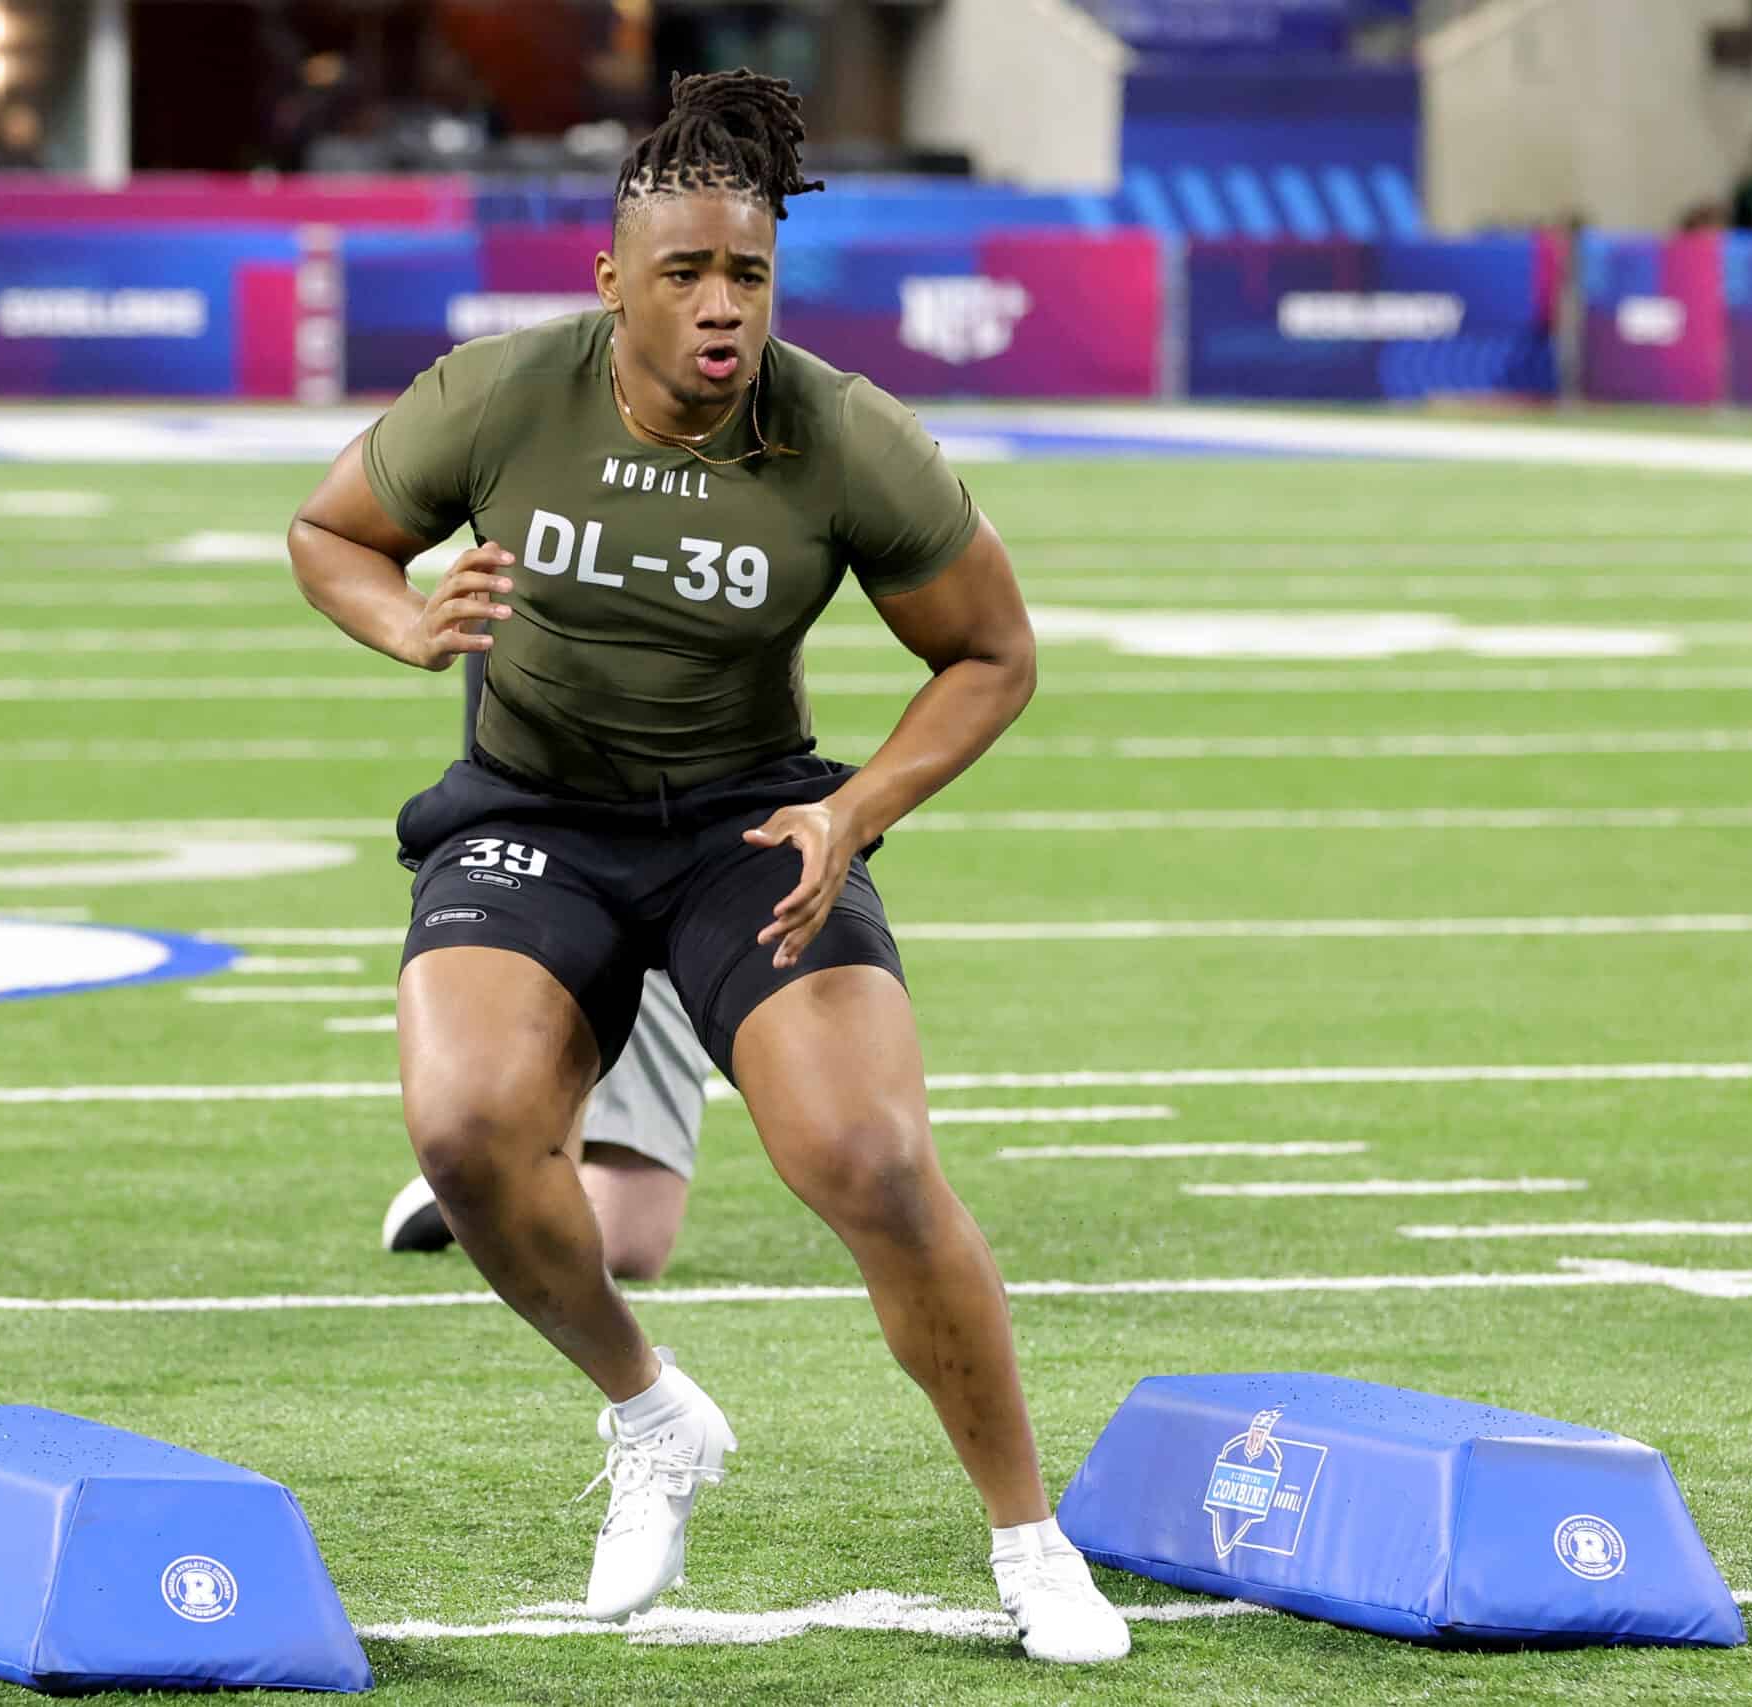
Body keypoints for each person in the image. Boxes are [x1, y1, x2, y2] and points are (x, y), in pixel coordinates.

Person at [288, 68, 1128, 1665]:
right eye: (685, 272)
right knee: (465, 1132)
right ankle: (651, 1413)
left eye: (748, 270)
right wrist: (402, 617)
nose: (723, 303)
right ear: (614, 282)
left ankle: (1031, 1540)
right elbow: (329, 532)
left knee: (872, 1160)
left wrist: (856, 808)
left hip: (752, 821)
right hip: (533, 810)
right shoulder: (500, 394)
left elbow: (994, 655)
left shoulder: (844, 435)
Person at [382, 652, 709, 1283]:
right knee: (565, 1243)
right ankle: (494, 1165)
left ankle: (494, 1176)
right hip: (557, 831)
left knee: (628, 1243)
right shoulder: (531, 568)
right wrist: (409, 626)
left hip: (703, 824)